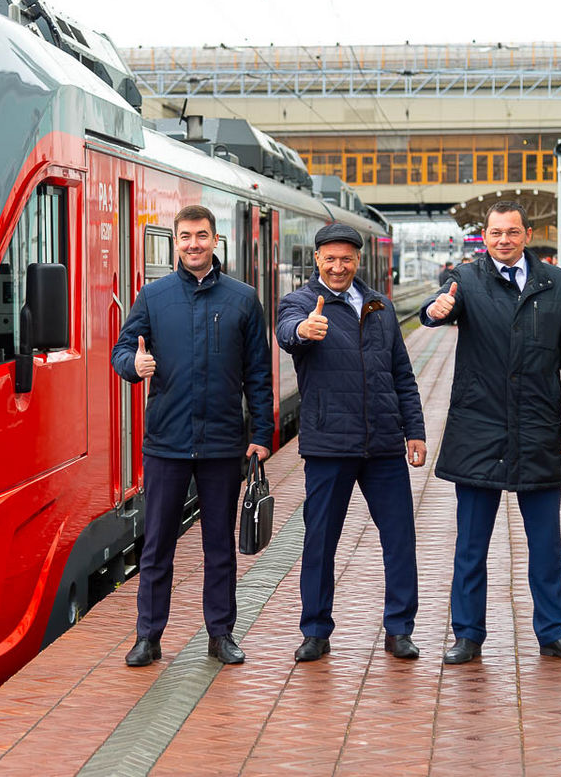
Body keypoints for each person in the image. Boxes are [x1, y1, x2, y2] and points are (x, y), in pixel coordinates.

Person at [421, 200, 561, 665]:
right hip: (479, 431)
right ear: (485, 235)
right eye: (495, 233)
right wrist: (435, 310)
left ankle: (554, 630)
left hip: (538, 430)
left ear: (526, 233)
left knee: (546, 544)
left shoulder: (555, 284)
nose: (503, 240)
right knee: (470, 547)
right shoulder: (466, 278)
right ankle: (468, 634)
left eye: (511, 232)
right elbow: (437, 309)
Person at [111, 204, 273, 668]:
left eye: (201, 236)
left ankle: (220, 635)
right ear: (176, 242)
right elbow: (124, 348)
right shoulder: (154, 297)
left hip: (223, 445)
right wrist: (133, 365)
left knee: (218, 546)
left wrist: (260, 434)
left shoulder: (242, 299)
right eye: (185, 237)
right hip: (167, 443)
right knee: (157, 544)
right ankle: (148, 637)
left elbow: (258, 375)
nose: (193, 244)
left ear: (215, 241)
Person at [276, 223, 426, 662]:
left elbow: (402, 374)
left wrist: (413, 430)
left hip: (383, 445)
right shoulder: (301, 303)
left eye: (346, 259)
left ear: (358, 261)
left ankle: (399, 628)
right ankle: (316, 631)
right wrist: (304, 330)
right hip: (328, 446)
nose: (338, 267)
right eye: (330, 259)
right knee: (320, 540)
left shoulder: (379, 306)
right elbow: (288, 331)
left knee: (400, 538)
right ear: (317, 260)